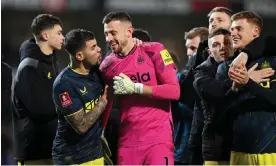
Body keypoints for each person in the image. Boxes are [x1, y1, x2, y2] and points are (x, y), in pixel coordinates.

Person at [99, 11, 180, 165]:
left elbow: (174, 91)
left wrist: (136, 87)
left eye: (113, 33)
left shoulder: (155, 51)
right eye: (106, 34)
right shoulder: (107, 65)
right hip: (127, 141)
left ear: (129, 32)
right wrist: (100, 131)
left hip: (158, 140)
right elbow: (107, 99)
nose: (109, 39)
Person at [177, 7, 233, 165]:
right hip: (203, 138)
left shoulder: (245, 58)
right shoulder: (201, 61)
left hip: (236, 140)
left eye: (220, 20)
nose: (214, 23)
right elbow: (185, 94)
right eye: (211, 20)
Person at [221, 11, 276, 165]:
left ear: (255, 31)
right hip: (238, 150)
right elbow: (220, 108)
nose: (233, 33)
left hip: (271, 150)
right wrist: (237, 87)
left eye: (238, 29)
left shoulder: (273, 61)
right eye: (231, 29)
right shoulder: (225, 67)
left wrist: (248, 83)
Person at [11, 14, 64, 165]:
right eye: (59, 33)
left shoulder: (52, 63)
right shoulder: (29, 66)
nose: (63, 37)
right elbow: (41, 110)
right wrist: (69, 104)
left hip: (52, 151)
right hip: (35, 155)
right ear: (45, 35)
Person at [51, 29, 108, 165]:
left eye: (97, 45)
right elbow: (81, 126)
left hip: (96, 154)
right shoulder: (64, 84)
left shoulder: (97, 70)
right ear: (79, 56)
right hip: (72, 158)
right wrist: (103, 102)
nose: (99, 49)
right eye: (93, 47)